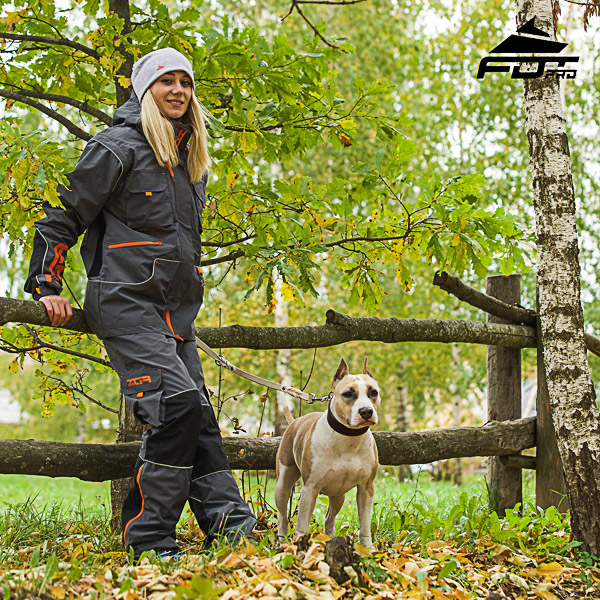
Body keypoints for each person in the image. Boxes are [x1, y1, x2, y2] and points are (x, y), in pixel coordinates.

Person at [24, 47, 256, 558]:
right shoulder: (116, 147)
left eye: (185, 82)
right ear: (144, 89)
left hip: (177, 314)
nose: (178, 90)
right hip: (125, 302)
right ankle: (149, 540)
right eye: (165, 81)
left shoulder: (189, 159)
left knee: (198, 414)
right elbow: (62, 213)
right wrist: (48, 284)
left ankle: (234, 531)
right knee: (175, 409)